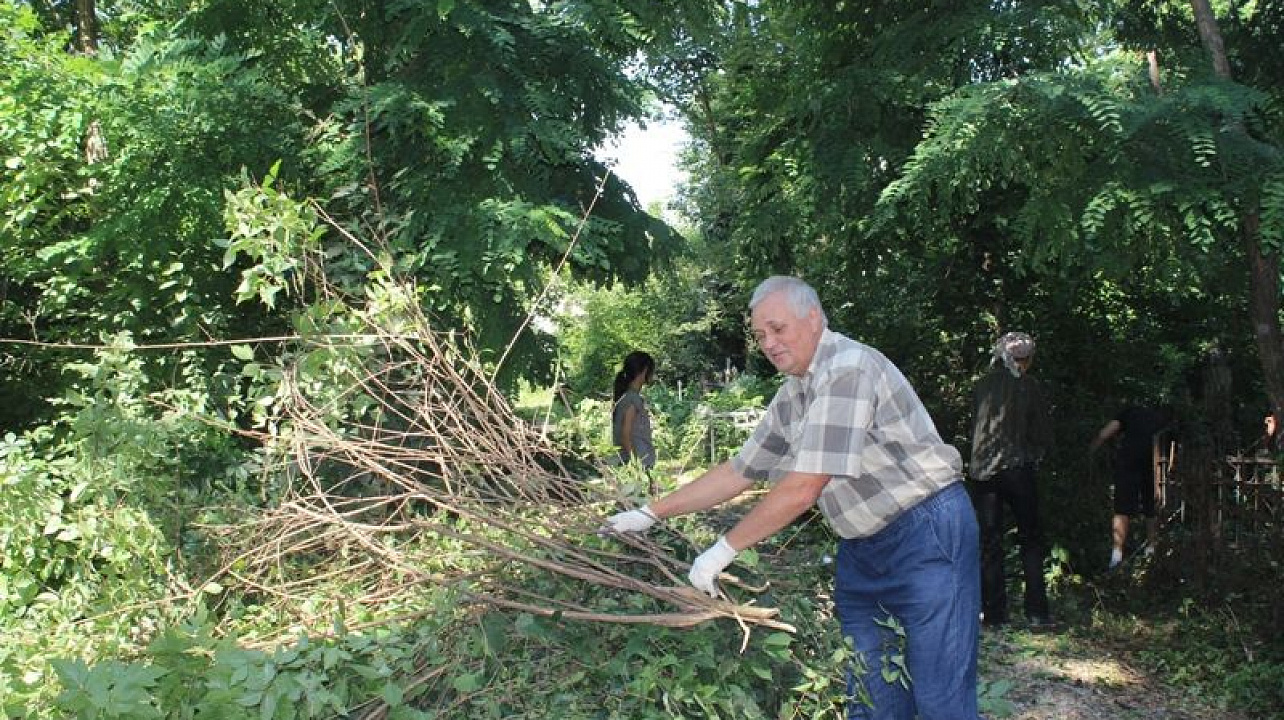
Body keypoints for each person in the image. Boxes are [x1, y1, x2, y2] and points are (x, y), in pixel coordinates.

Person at [601, 276, 982, 720]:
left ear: (814, 318)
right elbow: (740, 470)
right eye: (761, 335)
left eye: (778, 329)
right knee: (873, 693)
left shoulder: (847, 368)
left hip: (926, 536)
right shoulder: (795, 392)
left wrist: (722, 550)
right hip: (863, 549)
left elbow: (804, 486)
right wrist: (650, 513)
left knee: (940, 697)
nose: (769, 343)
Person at [969, 331, 1053, 630]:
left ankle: (994, 615)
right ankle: (1037, 612)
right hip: (1018, 469)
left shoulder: (982, 386)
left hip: (983, 473)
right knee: (1030, 539)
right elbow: (1041, 433)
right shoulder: (1030, 388)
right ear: (1025, 360)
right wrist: (1036, 452)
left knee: (990, 542)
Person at [1090, 404, 1171, 568]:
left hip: (1128, 462)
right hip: (1154, 464)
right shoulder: (1163, 418)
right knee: (1151, 507)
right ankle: (1151, 550)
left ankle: (1116, 556)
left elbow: (1106, 433)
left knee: (1122, 508)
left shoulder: (1129, 412)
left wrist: (1090, 451)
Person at [612, 351, 657, 477]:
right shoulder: (631, 400)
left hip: (636, 464)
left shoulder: (626, 398)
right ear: (645, 370)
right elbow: (625, 435)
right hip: (637, 466)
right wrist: (636, 467)